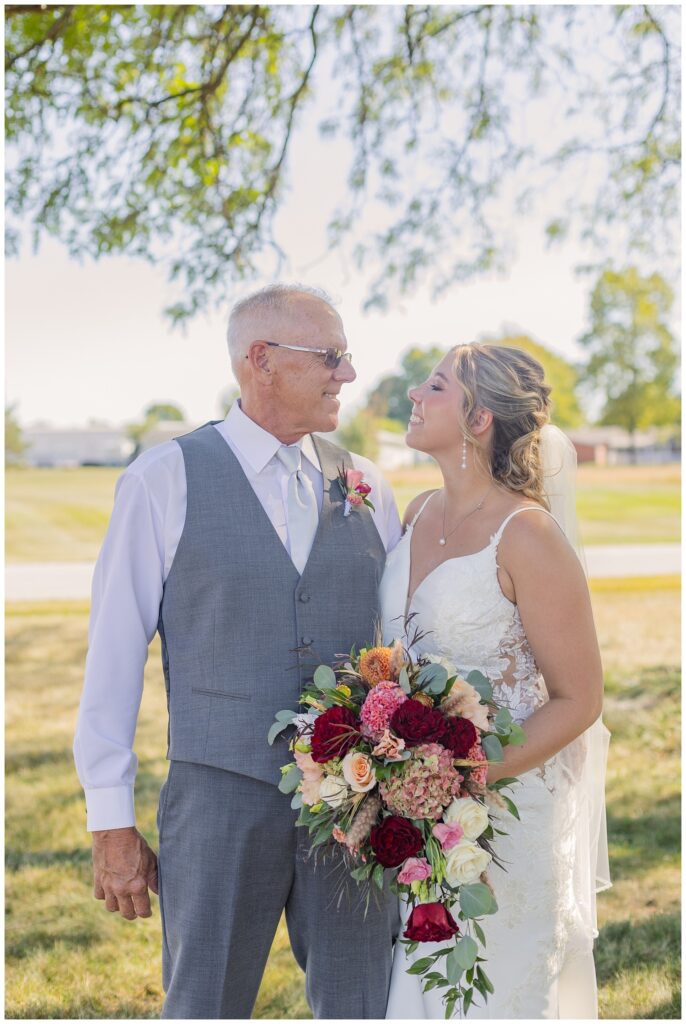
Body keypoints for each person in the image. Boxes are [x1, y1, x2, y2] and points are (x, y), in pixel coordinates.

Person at [74, 284, 402, 1019]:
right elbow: (114, 658)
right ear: (261, 360)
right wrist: (111, 820)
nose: (347, 375)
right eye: (331, 357)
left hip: (354, 806)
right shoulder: (163, 480)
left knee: (367, 1004)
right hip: (217, 797)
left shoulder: (368, 488)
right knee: (205, 1004)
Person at [381, 343, 611, 1020]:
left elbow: (580, 698)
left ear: (479, 420)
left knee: (495, 990)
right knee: (427, 987)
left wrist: (462, 776)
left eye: (435, 387)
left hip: (505, 811)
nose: (415, 398)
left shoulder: (528, 534)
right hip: (416, 806)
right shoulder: (416, 511)